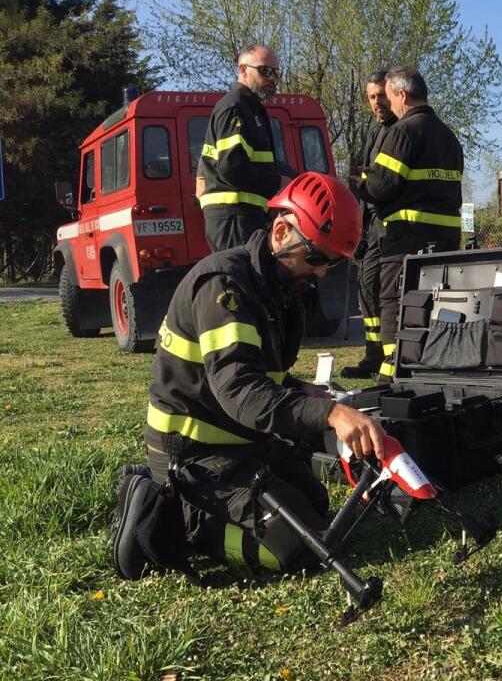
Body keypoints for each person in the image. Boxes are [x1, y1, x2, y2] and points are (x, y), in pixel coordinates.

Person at [111, 172, 387, 580]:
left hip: (239, 440)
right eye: (317, 257)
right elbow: (241, 391)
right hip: (193, 454)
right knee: (301, 548)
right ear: (280, 232)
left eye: (333, 262)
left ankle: (197, 511)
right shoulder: (225, 286)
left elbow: (258, 375)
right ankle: (184, 520)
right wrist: (328, 414)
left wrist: (303, 390)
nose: (323, 273)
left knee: (314, 501)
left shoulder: (278, 289)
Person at [362, 66, 464, 381]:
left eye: (390, 97)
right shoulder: (448, 136)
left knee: (395, 301)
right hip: (446, 237)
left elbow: (380, 187)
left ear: (402, 95)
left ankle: (391, 374)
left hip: (406, 238)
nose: (388, 105)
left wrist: (361, 181)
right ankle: (431, 366)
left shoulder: (402, 132)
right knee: (435, 301)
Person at [198, 44, 293, 253]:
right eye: (265, 71)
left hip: (244, 215)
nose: (273, 78)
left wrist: (296, 179)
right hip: (234, 217)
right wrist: (278, 182)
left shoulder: (251, 108)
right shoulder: (235, 107)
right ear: (243, 70)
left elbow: (261, 164)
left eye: (276, 73)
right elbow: (232, 168)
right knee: (243, 280)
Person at [341, 71, 397, 379]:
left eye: (382, 96)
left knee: (380, 290)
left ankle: (387, 358)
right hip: (369, 223)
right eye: (372, 97)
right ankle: (372, 355)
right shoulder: (374, 131)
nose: (377, 102)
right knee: (366, 290)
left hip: (388, 225)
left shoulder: (399, 131)